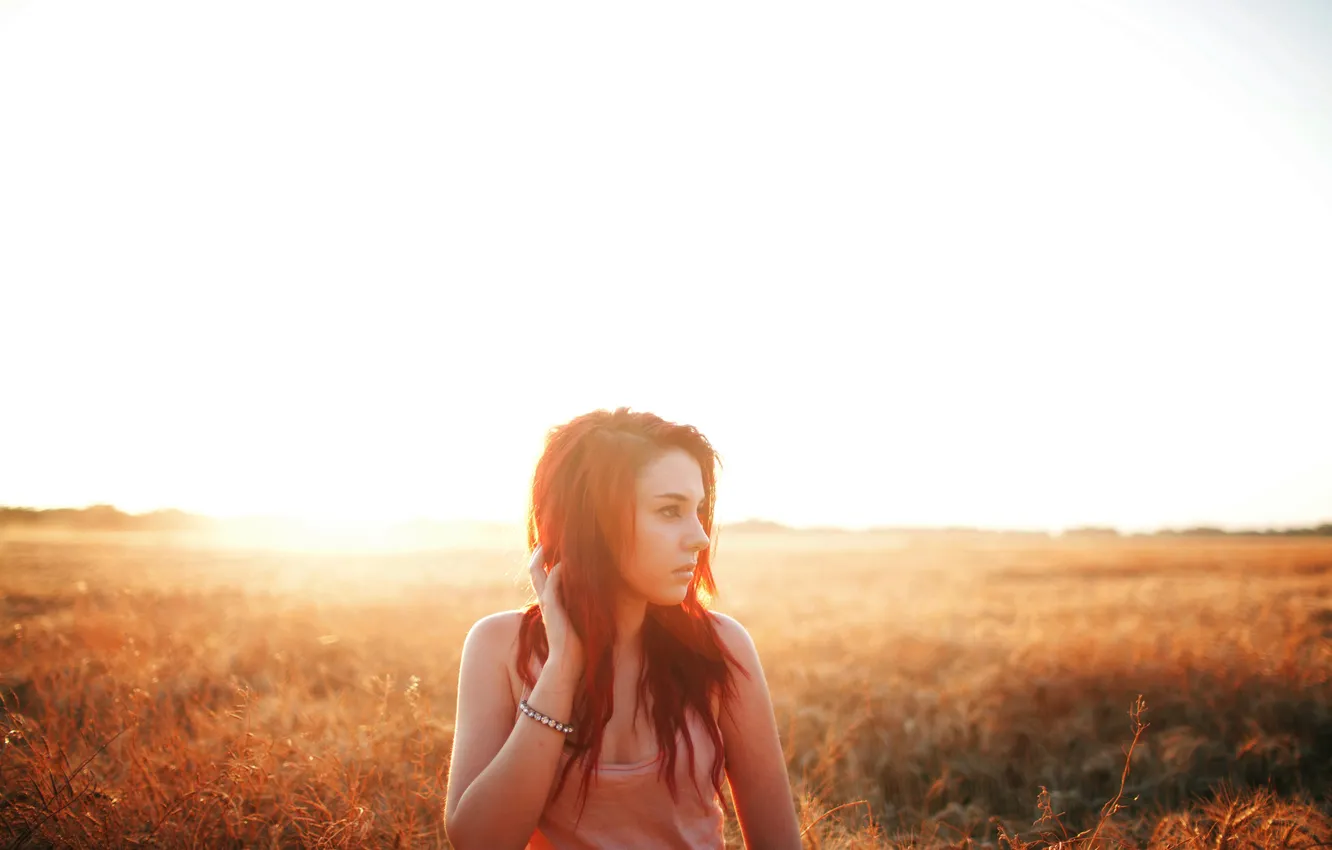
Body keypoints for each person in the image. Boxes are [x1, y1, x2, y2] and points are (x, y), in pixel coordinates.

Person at [444, 408, 803, 849]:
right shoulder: (499, 646)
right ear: (592, 520)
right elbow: (479, 842)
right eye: (670, 511)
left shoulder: (721, 647)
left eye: (699, 511)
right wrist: (562, 669)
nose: (700, 537)